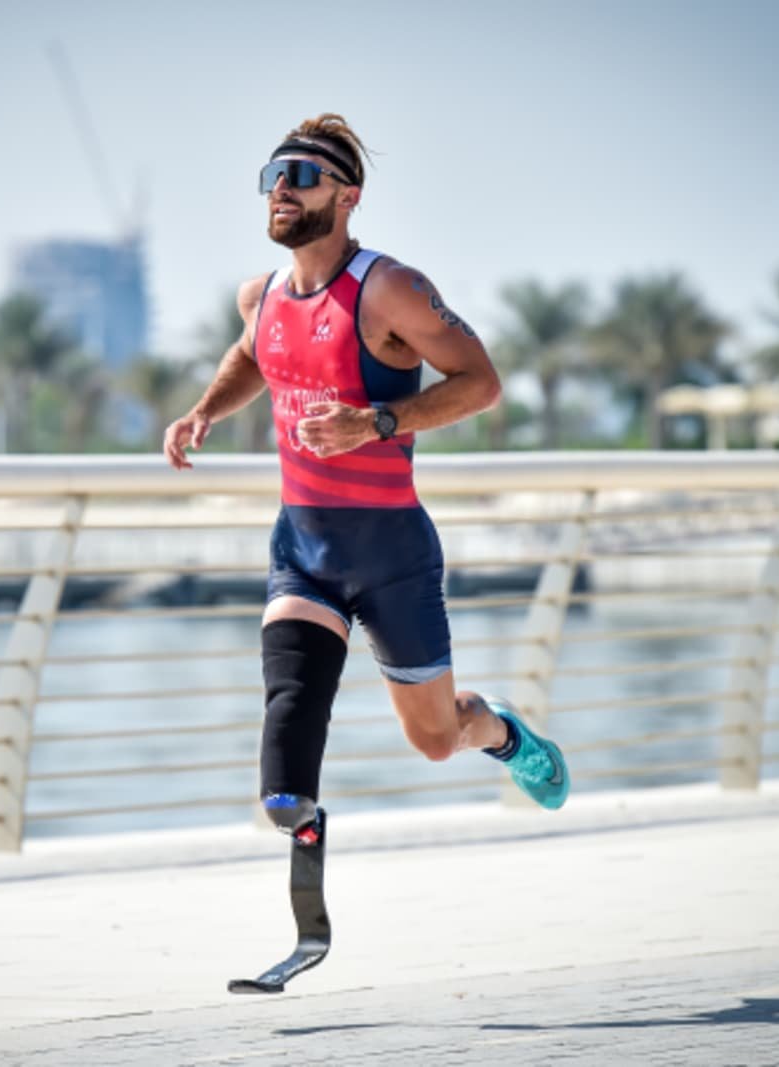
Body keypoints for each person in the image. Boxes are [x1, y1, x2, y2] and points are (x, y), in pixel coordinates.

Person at [162, 113, 568, 990]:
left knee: (436, 739)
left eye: (302, 174)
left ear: (347, 196)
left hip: (393, 557)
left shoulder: (390, 291)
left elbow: (481, 383)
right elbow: (252, 356)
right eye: (273, 173)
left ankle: (500, 730)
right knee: (287, 737)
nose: (281, 187)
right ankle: (304, 866)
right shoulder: (261, 296)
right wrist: (203, 410)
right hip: (303, 549)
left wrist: (376, 422)